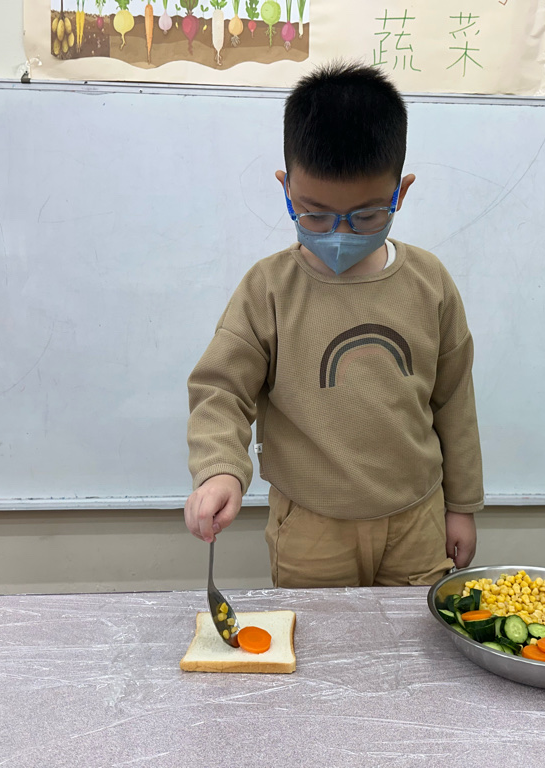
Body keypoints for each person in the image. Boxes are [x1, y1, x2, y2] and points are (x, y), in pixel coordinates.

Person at [185, 62, 483, 588]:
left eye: (366, 216)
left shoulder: (430, 282)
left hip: (417, 519)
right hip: (311, 529)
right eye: (315, 215)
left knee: (416, 635)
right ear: (286, 189)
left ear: (401, 193)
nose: (339, 233)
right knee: (322, 637)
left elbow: (454, 401)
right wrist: (220, 467)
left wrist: (461, 506)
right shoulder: (268, 288)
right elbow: (221, 390)